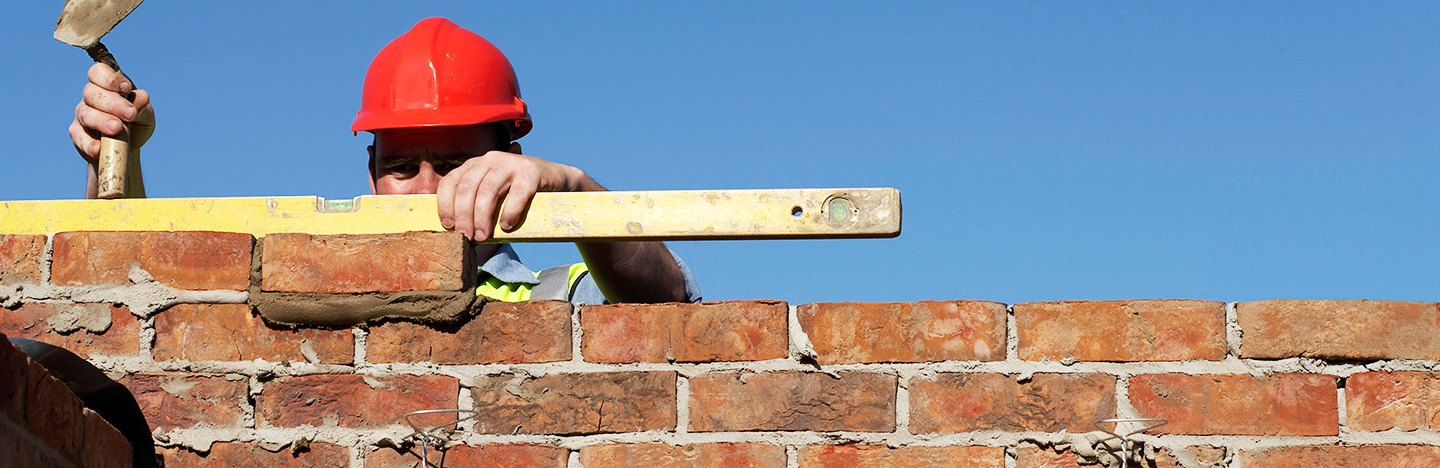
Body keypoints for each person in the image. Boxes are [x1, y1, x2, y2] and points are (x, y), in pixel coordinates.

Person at [68, 17, 700, 304]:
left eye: (454, 165)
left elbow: (668, 305)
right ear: (370, 175)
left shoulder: (559, 296)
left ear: (512, 166)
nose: (427, 191)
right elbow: (133, 307)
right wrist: (114, 156)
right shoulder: (313, 294)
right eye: (401, 167)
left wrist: (573, 189)